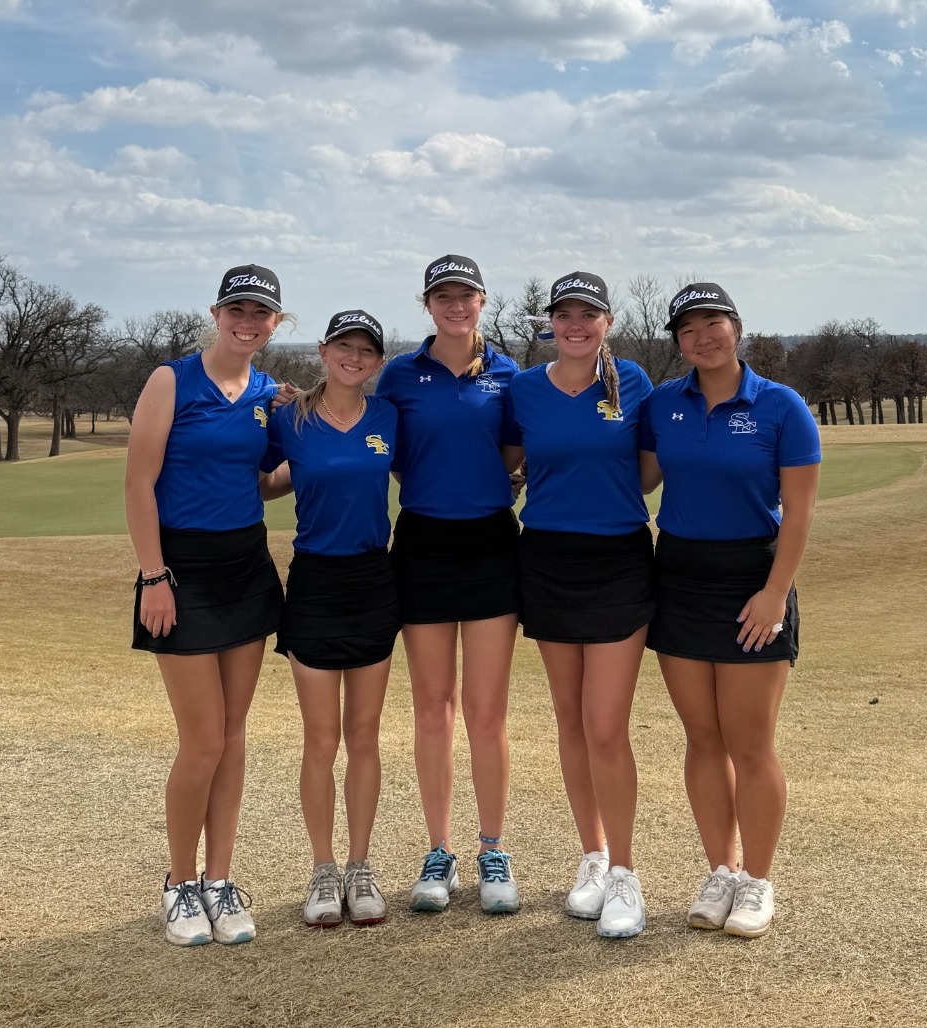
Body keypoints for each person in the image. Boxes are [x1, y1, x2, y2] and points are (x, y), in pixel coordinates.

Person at [638, 282, 820, 939]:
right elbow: (638, 479)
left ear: (736, 328)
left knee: (750, 742)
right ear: (678, 342)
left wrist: (775, 593)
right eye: (688, 329)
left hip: (753, 581)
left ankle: (757, 883)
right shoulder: (664, 404)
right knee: (703, 738)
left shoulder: (781, 407)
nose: (703, 336)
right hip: (680, 577)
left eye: (713, 322)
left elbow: (799, 510)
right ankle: (721, 869)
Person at [123, 263, 287, 946]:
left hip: (246, 567)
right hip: (180, 573)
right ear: (216, 314)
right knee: (203, 741)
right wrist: (154, 576)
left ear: (276, 323)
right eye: (236, 310)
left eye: (261, 313)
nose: (247, 323)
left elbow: (263, 481)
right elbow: (138, 483)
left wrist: (322, 453)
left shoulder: (269, 393)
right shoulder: (171, 380)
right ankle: (180, 883)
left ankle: (220, 880)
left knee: (235, 735)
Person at [501, 272, 656, 938]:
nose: (575, 324)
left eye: (587, 314)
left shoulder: (634, 383)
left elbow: (647, 469)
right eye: (563, 314)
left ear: (607, 322)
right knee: (569, 720)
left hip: (619, 560)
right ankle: (592, 857)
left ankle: (625, 873)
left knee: (604, 726)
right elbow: (511, 463)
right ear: (549, 323)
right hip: (546, 559)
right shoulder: (525, 390)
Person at [374, 254, 523, 914]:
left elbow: (517, 452)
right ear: (427, 303)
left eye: (466, 296)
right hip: (425, 545)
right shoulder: (402, 374)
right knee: (434, 708)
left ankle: (493, 850)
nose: (455, 306)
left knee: (486, 713)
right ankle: (439, 851)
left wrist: (494, 481)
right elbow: (395, 454)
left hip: (493, 543)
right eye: (443, 296)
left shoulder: (509, 373)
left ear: (483, 301)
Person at [259, 310, 400, 929]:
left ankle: (360, 866)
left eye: (365, 351)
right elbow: (262, 481)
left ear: (377, 361)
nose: (353, 358)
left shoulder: (390, 416)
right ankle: (322, 868)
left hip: (374, 580)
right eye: (343, 347)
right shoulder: (288, 416)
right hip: (315, 580)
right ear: (322, 351)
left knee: (364, 736)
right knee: (321, 739)